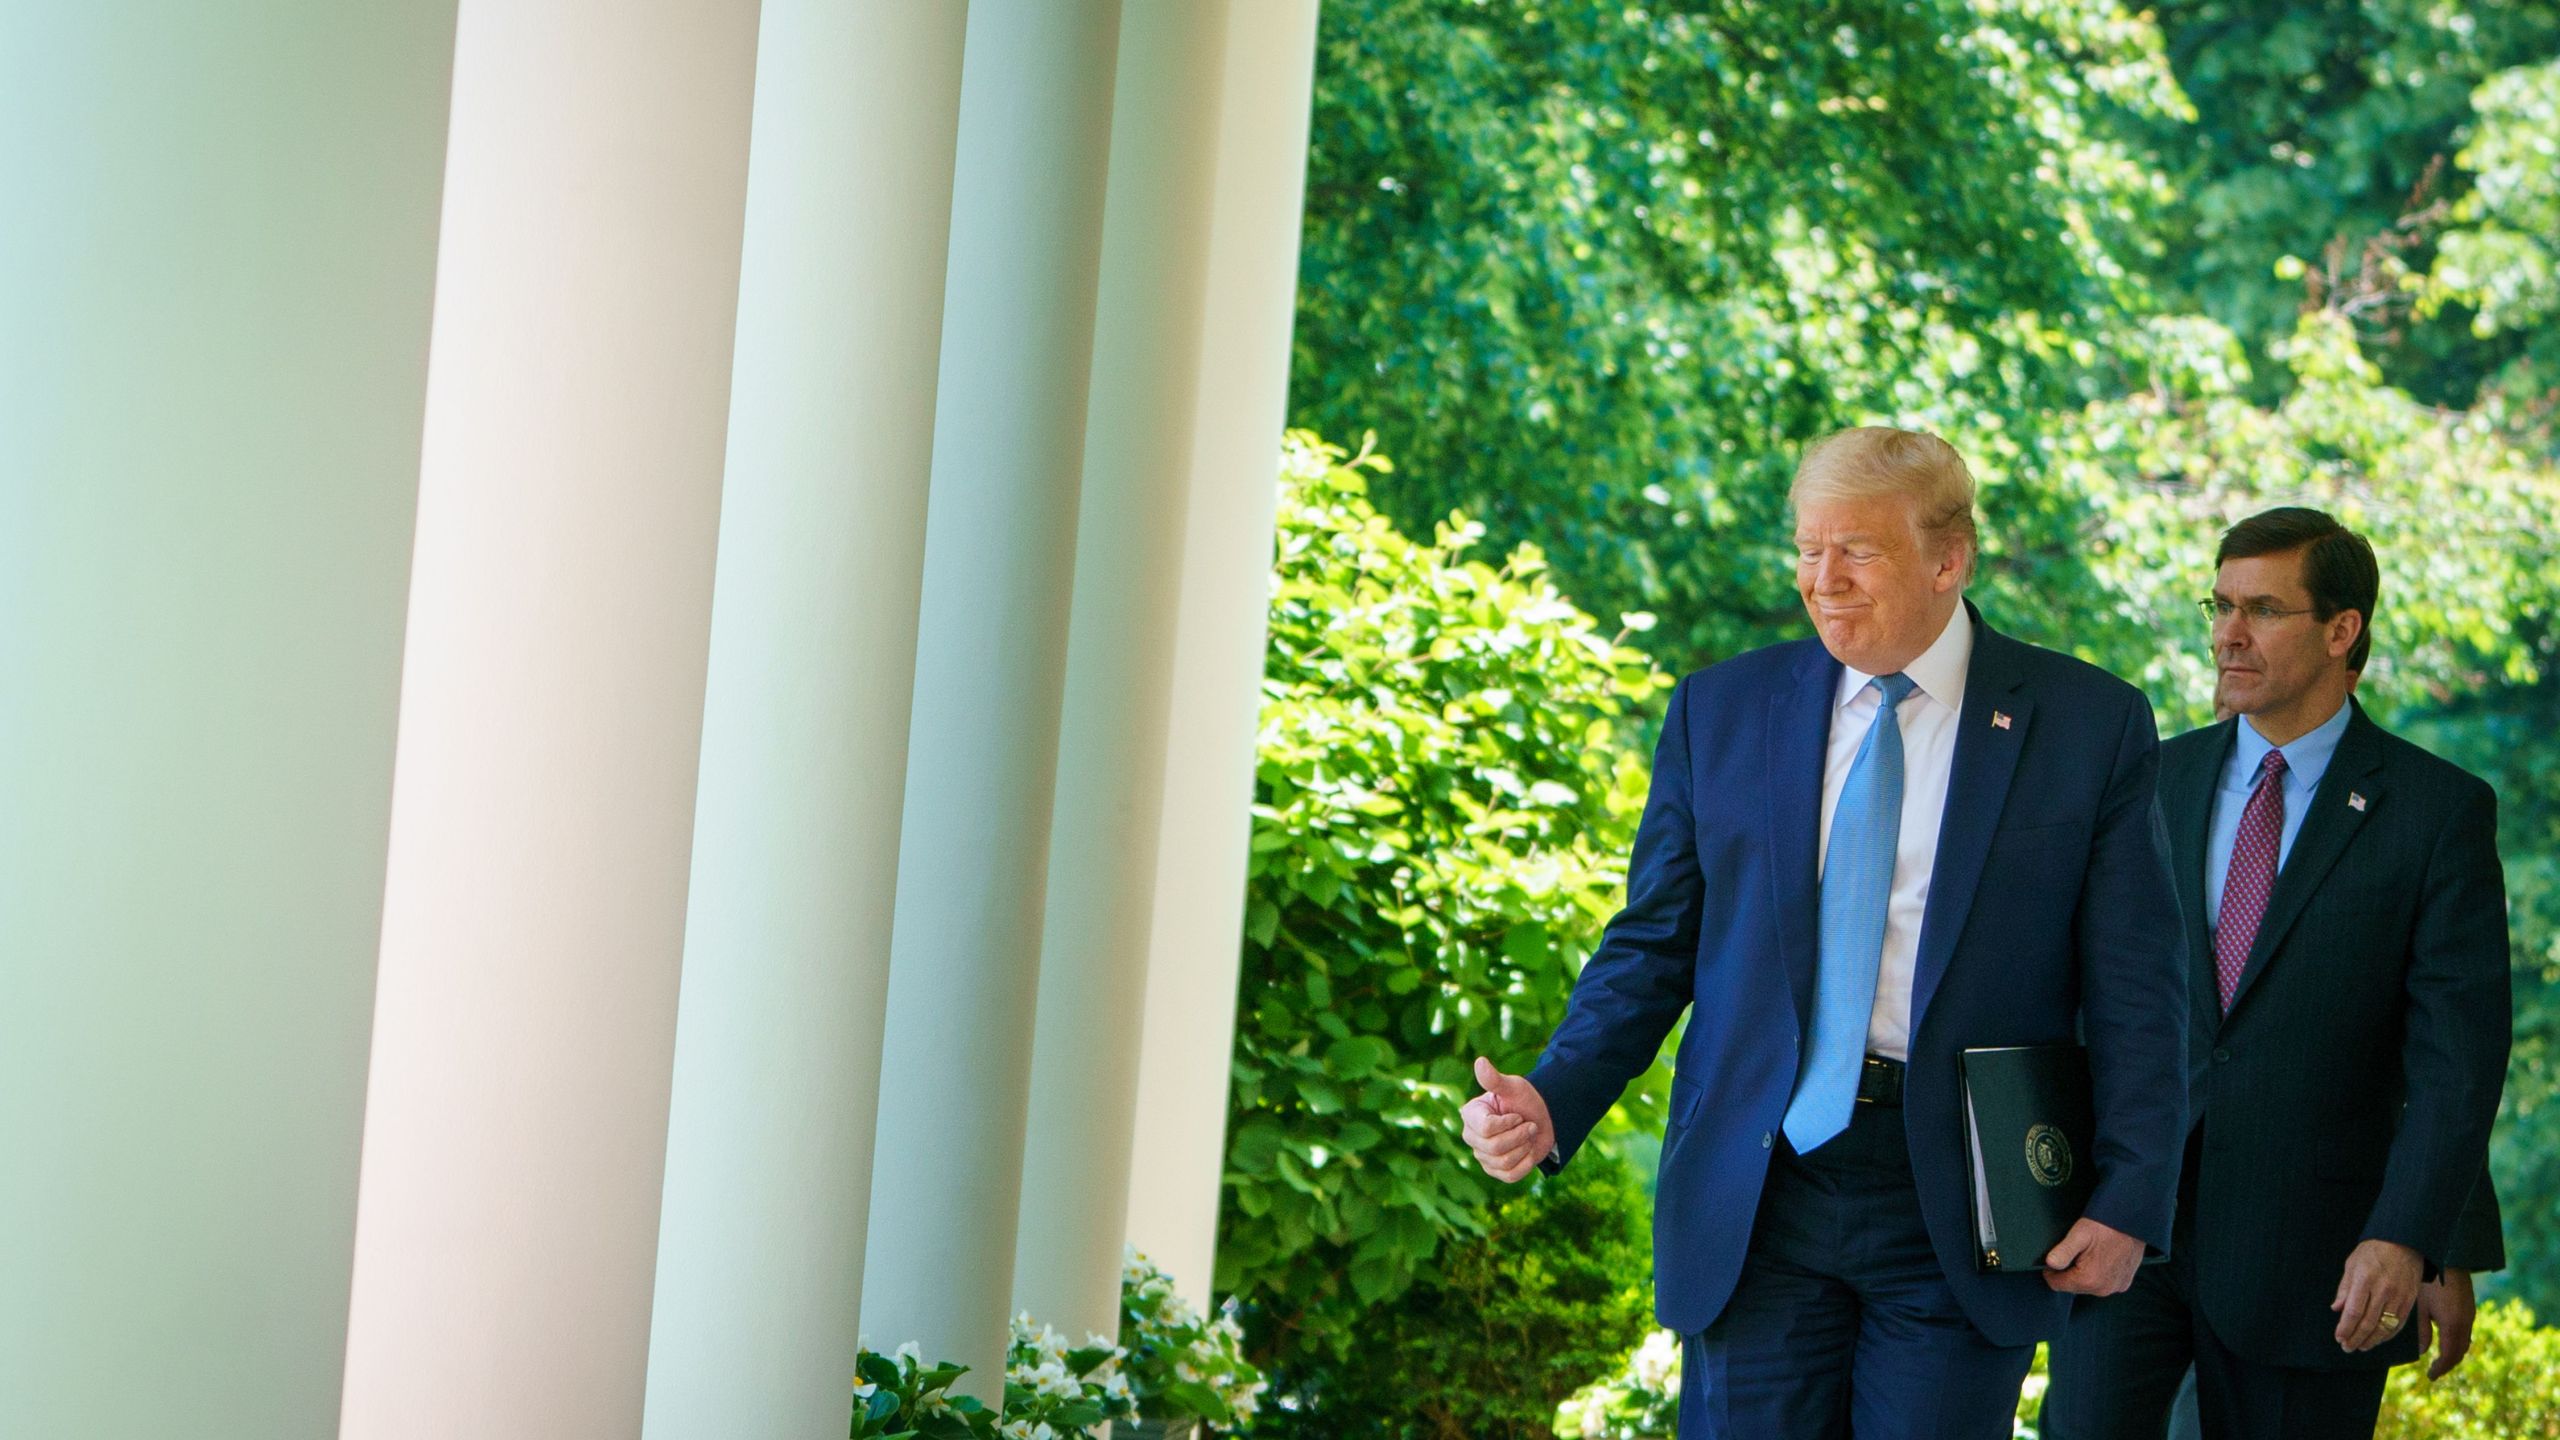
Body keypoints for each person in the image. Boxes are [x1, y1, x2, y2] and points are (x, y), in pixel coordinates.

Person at [1460, 427, 2188, 1439]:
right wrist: (1554, 1091)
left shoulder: (2086, 723)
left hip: (1959, 1201)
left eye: (1856, 551)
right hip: (1758, 1191)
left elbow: (2138, 987)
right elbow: (1653, 944)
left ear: (1949, 559)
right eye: (1806, 549)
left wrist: (2127, 1195)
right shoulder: (1718, 708)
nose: (1821, 579)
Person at [2043, 507, 2512, 1440]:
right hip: (2126, 1231)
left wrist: (2418, 1233)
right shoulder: (2147, 781)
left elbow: (2453, 1060)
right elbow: (2074, 998)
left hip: (2316, 1262)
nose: (2228, 633)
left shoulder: (2437, 814)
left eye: (2262, 608)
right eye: (2219, 606)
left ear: (2344, 631)